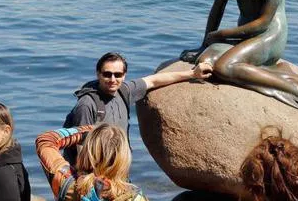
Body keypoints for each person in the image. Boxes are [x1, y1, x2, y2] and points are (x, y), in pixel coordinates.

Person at [62, 52, 211, 162]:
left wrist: (192, 73)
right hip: (94, 173)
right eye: (107, 74)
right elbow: (81, 149)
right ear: (98, 74)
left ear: (124, 75)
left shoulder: (124, 91)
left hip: (117, 169)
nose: (112, 79)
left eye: (117, 75)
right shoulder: (87, 104)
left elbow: (153, 81)